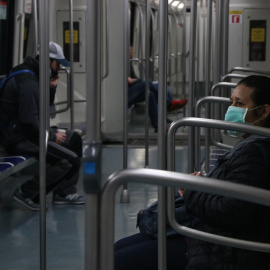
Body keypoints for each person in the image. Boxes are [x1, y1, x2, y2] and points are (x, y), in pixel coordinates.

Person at [115, 75, 270, 270]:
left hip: (220, 246)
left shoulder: (254, 152)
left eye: (240, 104)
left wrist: (191, 191)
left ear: (263, 112)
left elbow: (231, 213)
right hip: (212, 232)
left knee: (116, 260)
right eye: (231, 102)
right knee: (117, 249)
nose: (232, 110)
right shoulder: (251, 144)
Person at [0, 41, 85, 210]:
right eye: (58, 63)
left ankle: (63, 192)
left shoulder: (34, 74)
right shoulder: (28, 82)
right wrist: (52, 136)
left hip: (26, 132)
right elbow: (29, 121)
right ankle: (27, 192)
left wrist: (51, 87)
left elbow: (44, 107)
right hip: (17, 138)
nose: (59, 67)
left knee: (74, 139)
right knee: (67, 159)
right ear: (49, 61)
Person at [128, 46, 187, 131]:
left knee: (150, 94)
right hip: (125, 94)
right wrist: (138, 81)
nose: (133, 52)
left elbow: (133, 79)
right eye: (131, 50)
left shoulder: (129, 63)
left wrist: (137, 80)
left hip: (131, 90)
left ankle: (158, 126)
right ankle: (169, 104)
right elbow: (128, 81)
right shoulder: (121, 65)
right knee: (147, 82)